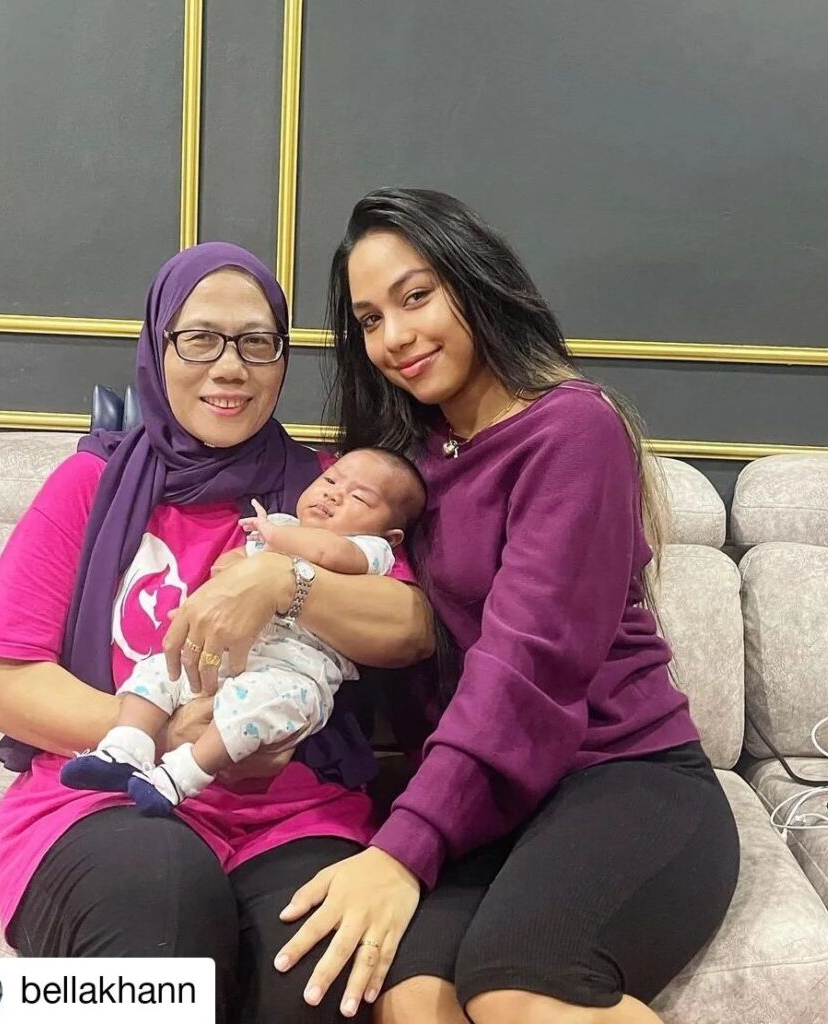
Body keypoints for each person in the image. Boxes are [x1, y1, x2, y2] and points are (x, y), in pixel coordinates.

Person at [269, 189, 741, 1024]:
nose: (395, 337)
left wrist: (402, 850)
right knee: (406, 999)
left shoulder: (572, 431)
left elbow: (526, 667)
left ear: (474, 281)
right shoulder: (404, 464)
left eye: (416, 297)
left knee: (515, 987)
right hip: (492, 798)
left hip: (620, 773)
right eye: (370, 319)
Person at [0, 242, 433, 1024]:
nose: (230, 367)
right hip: (111, 805)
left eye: (256, 342)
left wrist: (282, 582)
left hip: (293, 816)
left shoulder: (328, 495)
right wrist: (167, 732)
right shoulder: (91, 484)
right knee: (164, 922)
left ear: (281, 358)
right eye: (200, 339)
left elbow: (411, 627)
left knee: (312, 988)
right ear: (158, 345)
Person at [59, 447, 425, 815]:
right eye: (330, 480)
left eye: (359, 497)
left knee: (252, 709)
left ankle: (183, 775)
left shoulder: (370, 549)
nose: (334, 494)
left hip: (292, 675)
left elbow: (327, 554)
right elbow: (227, 569)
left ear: (392, 535)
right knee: (160, 670)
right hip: (235, 656)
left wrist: (272, 541)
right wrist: (236, 568)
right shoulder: (282, 525)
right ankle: (126, 745)